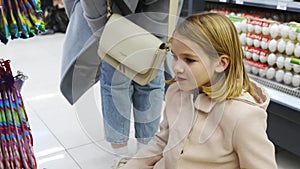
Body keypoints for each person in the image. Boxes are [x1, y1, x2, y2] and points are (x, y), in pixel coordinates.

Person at [122, 12, 278, 169]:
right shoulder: (176, 93)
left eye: (189, 60)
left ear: (221, 63)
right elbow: (163, 141)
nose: (176, 67)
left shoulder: (243, 116)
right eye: (175, 56)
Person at [60, 0, 183, 168]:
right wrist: (100, 28)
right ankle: (122, 152)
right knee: (120, 83)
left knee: (143, 80)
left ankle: (143, 150)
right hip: (113, 14)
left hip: (153, 11)